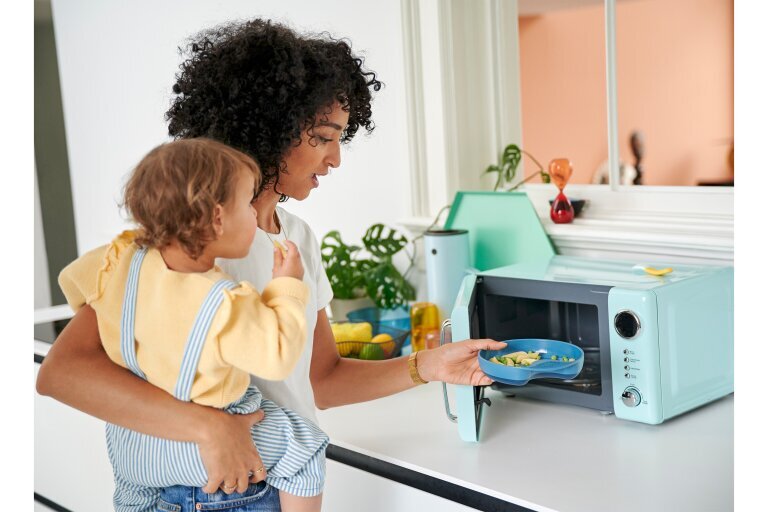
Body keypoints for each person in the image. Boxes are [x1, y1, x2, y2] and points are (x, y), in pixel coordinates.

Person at [36, 18, 507, 511]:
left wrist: (427, 366)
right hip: (204, 493)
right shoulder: (181, 244)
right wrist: (209, 425)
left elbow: (321, 379)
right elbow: (63, 373)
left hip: (274, 489)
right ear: (271, 127)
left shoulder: (297, 240)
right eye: (324, 137)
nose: (336, 159)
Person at [58, 137, 327, 511]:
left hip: (134, 447)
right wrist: (287, 286)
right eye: (247, 204)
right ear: (218, 218)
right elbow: (279, 356)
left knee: (134, 497)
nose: (255, 216)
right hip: (204, 448)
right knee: (306, 446)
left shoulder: (117, 261)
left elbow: (73, 283)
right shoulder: (225, 302)